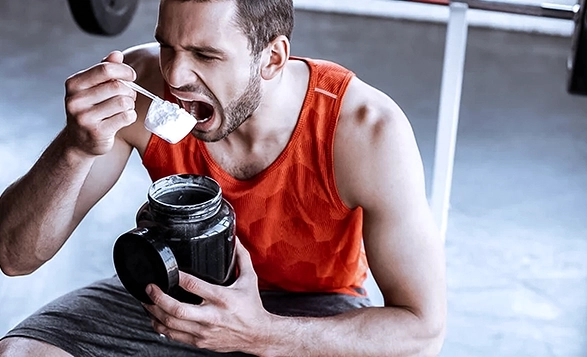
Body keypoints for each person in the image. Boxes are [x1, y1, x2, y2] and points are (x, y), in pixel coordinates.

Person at [0, 0, 446, 355]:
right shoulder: (145, 89)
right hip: (176, 294)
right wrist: (75, 149)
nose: (175, 76)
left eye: (205, 55)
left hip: (309, 312)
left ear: (272, 58)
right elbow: (14, 257)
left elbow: (422, 332)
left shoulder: (365, 130)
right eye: (168, 45)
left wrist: (263, 334)